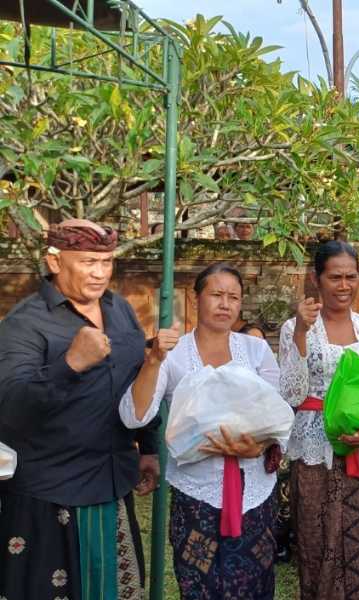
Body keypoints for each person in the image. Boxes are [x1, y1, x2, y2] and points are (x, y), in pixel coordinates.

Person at [0, 219, 161, 600]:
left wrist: (148, 445)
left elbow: (136, 377)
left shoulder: (119, 309)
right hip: (49, 495)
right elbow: (9, 407)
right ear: (54, 262)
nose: (100, 272)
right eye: (89, 261)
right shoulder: (24, 324)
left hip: (112, 484)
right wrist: (68, 364)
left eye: (106, 262)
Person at [120, 262, 283, 600]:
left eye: (234, 297)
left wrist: (257, 445)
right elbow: (134, 416)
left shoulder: (255, 350)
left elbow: (278, 416)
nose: (225, 304)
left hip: (253, 494)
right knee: (199, 588)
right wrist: (153, 361)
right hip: (197, 496)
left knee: (253, 587)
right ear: (196, 300)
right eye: (217, 295)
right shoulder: (174, 353)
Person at [278, 241, 359, 599]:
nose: (344, 285)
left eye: (351, 276)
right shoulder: (295, 328)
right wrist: (301, 332)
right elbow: (291, 392)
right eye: (335, 277)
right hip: (315, 448)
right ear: (317, 280)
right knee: (316, 543)